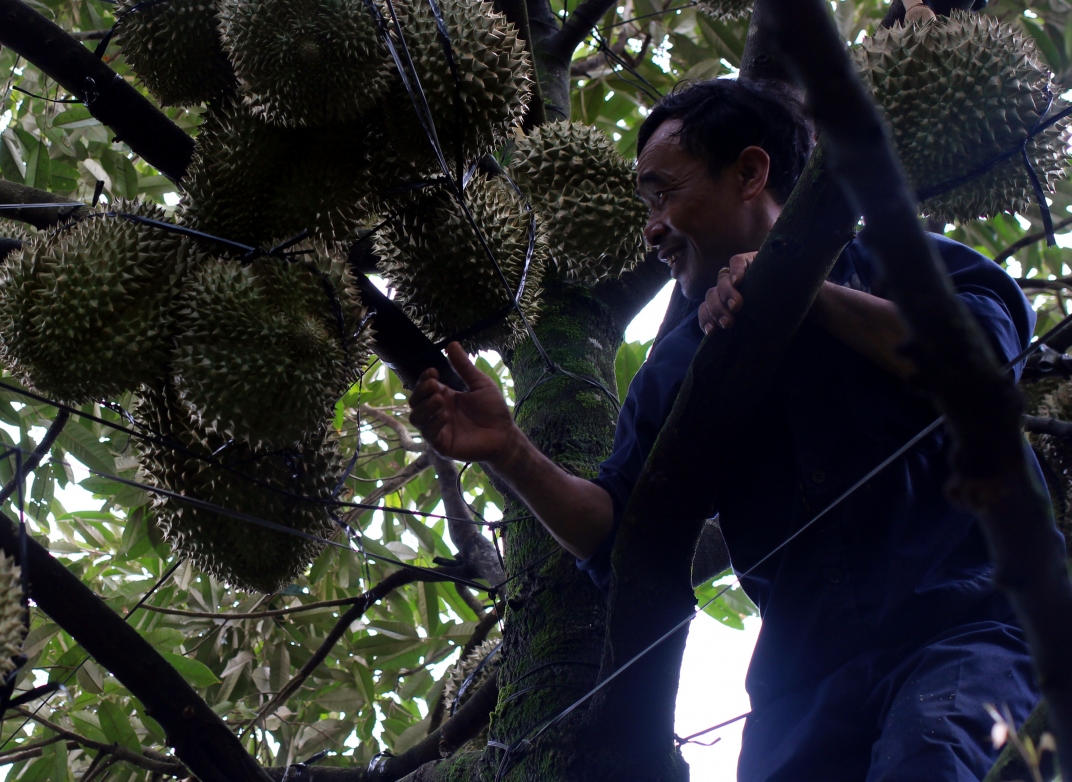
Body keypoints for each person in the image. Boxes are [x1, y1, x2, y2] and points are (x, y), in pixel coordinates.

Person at [408, 78, 1049, 781]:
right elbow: (618, 532)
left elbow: (982, 367)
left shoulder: (906, 266)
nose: (651, 227)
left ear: (749, 173)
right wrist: (508, 451)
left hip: (966, 630)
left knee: (930, 760)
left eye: (663, 195)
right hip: (800, 690)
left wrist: (797, 289)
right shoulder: (677, 367)